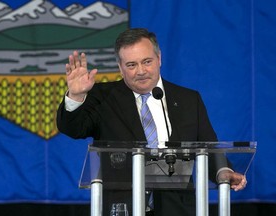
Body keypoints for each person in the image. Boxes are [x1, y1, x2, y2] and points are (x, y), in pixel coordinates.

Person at [57, 28, 247, 216]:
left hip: (177, 208)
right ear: (120, 67)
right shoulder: (103, 97)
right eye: (131, 65)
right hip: (122, 208)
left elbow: (209, 146)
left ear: (159, 58)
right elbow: (73, 129)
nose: (141, 71)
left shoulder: (189, 99)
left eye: (147, 61)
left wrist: (224, 171)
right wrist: (76, 96)